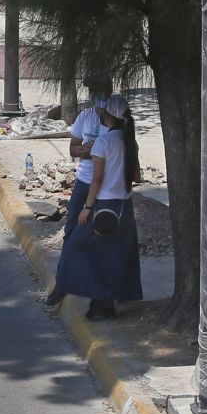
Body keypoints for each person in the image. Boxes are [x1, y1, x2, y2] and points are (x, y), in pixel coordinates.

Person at [52, 95, 142, 317]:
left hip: (103, 205)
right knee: (114, 254)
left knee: (75, 246)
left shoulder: (104, 142)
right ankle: (105, 304)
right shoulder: (129, 141)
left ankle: (68, 288)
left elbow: (98, 179)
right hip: (124, 206)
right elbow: (137, 175)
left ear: (107, 116)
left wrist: (87, 207)